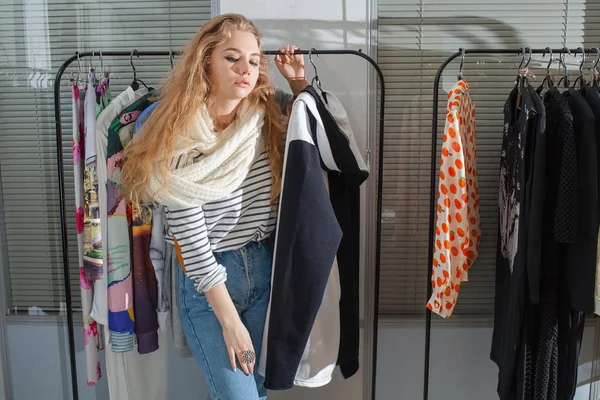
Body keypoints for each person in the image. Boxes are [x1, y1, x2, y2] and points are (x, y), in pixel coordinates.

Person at [121, 13, 308, 400]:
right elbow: (189, 239)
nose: (246, 70)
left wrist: (298, 82)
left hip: (262, 269)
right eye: (232, 58)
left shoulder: (266, 118)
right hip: (208, 281)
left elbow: (326, 133)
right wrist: (229, 322)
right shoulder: (177, 132)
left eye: (254, 61)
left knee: (256, 393)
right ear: (206, 60)